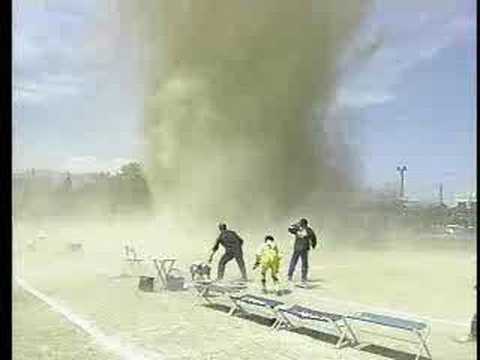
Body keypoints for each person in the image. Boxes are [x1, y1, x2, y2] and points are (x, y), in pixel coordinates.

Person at [287, 218, 317, 283]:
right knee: (304, 264)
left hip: (297, 248)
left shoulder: (297, 229)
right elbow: (313, 238)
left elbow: (290, 229)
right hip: (304, 248)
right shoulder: (308, 230)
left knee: (293, 262)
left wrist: (296, 224)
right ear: (306, 224)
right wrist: (313, 245)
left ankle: (290, 276)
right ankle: (303, 278)